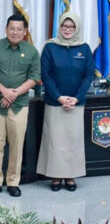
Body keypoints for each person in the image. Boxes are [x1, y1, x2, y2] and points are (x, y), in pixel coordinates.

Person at [0, 14, 40, 197]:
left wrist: (13, 93)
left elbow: (34, 78)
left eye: (19, 29)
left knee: (16, 145)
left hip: (19, 105)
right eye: (12, 28)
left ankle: (13, 182)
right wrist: (4, 91)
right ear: (6, 29)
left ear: (25, 32)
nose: (15, 32)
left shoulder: (31, 51)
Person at [36, 11, 94, 192]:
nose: (68, 29)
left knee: (73, 141)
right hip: (55, 103)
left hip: (76, 103)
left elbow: (89, 75)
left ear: (77, 28)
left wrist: (76, 98)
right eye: (64, 26)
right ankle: (55, 176)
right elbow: (46, 74)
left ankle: (70, 176)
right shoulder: (50, 47)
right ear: (59, 27)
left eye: (71, 26)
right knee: (55, 141)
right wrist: (59, 97)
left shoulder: (84, 48)